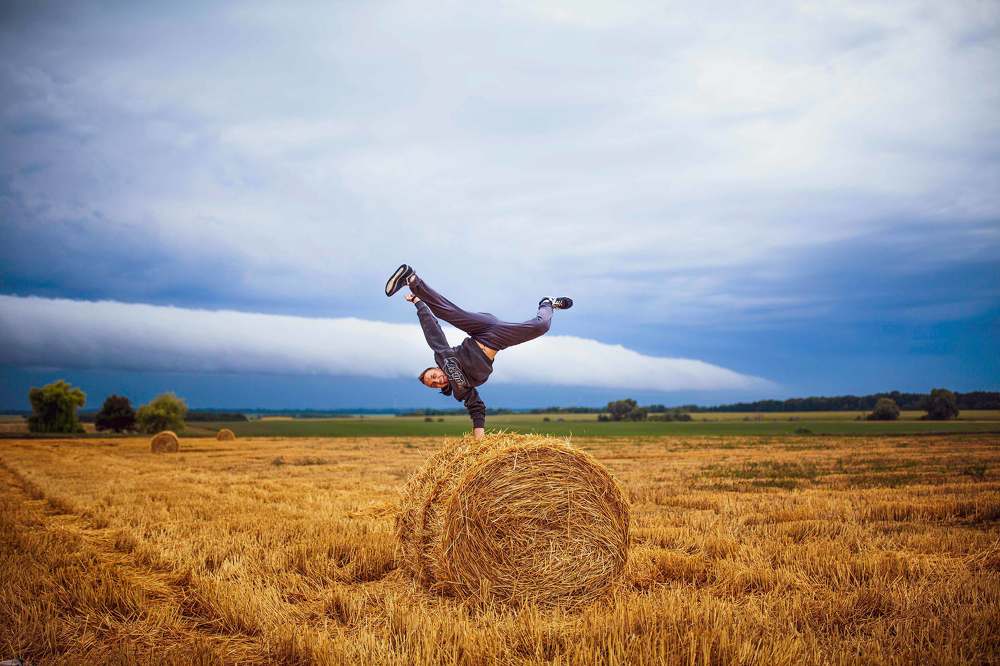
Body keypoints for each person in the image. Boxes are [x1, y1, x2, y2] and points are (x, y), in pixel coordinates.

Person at [385, 264, 572, 439]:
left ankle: (411, 279)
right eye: (433, 384)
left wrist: (419, 303)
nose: (436, 380)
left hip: (481, 329)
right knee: (541, 326)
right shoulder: (461, 390)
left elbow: (433, 330)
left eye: (433, 375)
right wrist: (479, 444)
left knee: (447, 312)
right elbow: (476, 407)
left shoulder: (443, 358)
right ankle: (547, 303)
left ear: (436, 368)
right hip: (497, 339)